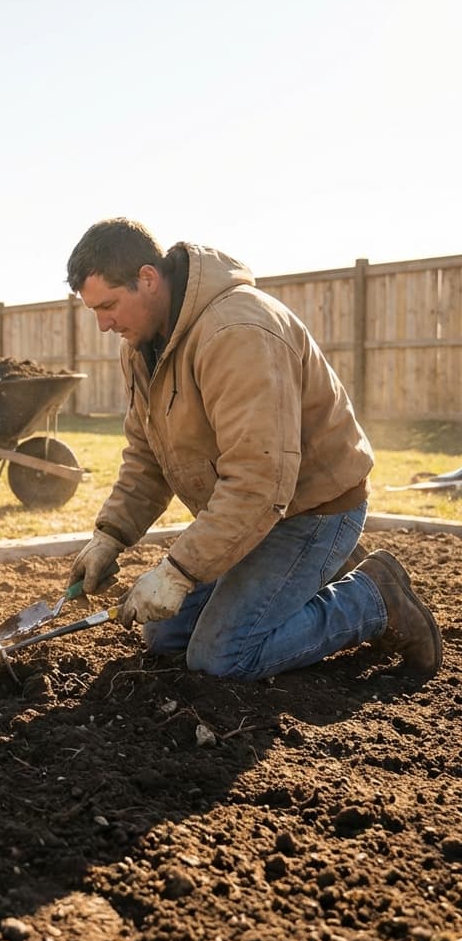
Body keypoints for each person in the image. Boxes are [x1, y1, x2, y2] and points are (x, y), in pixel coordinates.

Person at [66, 217, 442, 680]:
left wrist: (179, 571)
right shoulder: (143, 345)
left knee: (221, 658)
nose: (103, 325)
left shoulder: (237, 331)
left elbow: (260, 481)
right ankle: (307, 580)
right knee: (163, 636)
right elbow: (148, 455)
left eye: (108, 306)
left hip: (310, 510)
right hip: (255, 517)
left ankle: (372, 597)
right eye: (94, 312)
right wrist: (112, 534)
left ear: (147, 279)